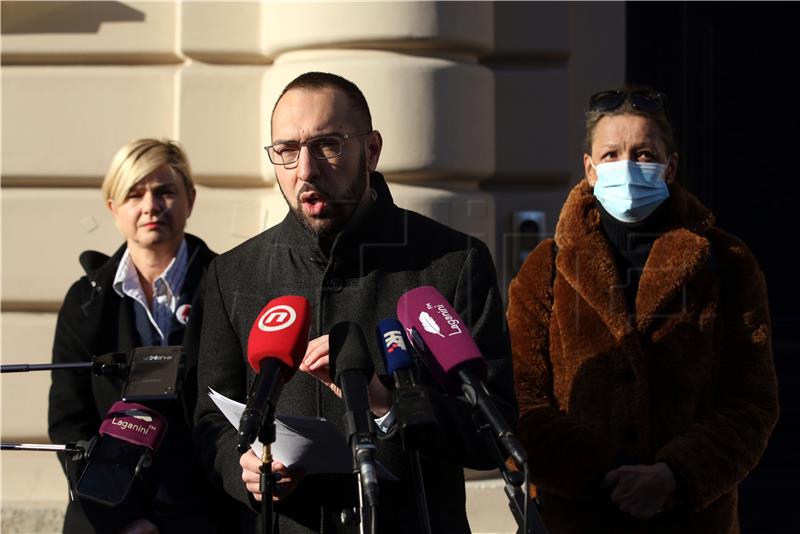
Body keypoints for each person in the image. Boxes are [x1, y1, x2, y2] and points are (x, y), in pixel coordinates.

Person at [191, 71, 517, 533]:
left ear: (371, 149)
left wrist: (390, 405)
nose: (305, 170)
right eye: (286, 151)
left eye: (328, 145)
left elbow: (494, 429)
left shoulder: (453, 263)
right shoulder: (233, 274)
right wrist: (241, 467)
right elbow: (209, 420)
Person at [507, 87, 779, 533]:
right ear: (590, 170)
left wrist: (675, 475)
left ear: (670, 167)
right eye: (611, 154)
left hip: (692, 519)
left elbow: (752, 400)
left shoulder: (727, 261)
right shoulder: (548, 266)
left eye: (644, 153)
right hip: (576, 519)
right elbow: (519, 400)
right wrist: (608, 472)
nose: (627, 167)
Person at [48, 138, 222, 534]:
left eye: (165, 192)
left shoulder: (227, 287)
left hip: (203, 518)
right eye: (134, 194)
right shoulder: (84, 301)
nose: (150, 206)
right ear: (114, 209)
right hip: (104, 519)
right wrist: (122, 518)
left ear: (190, 200)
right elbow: (69, 421)